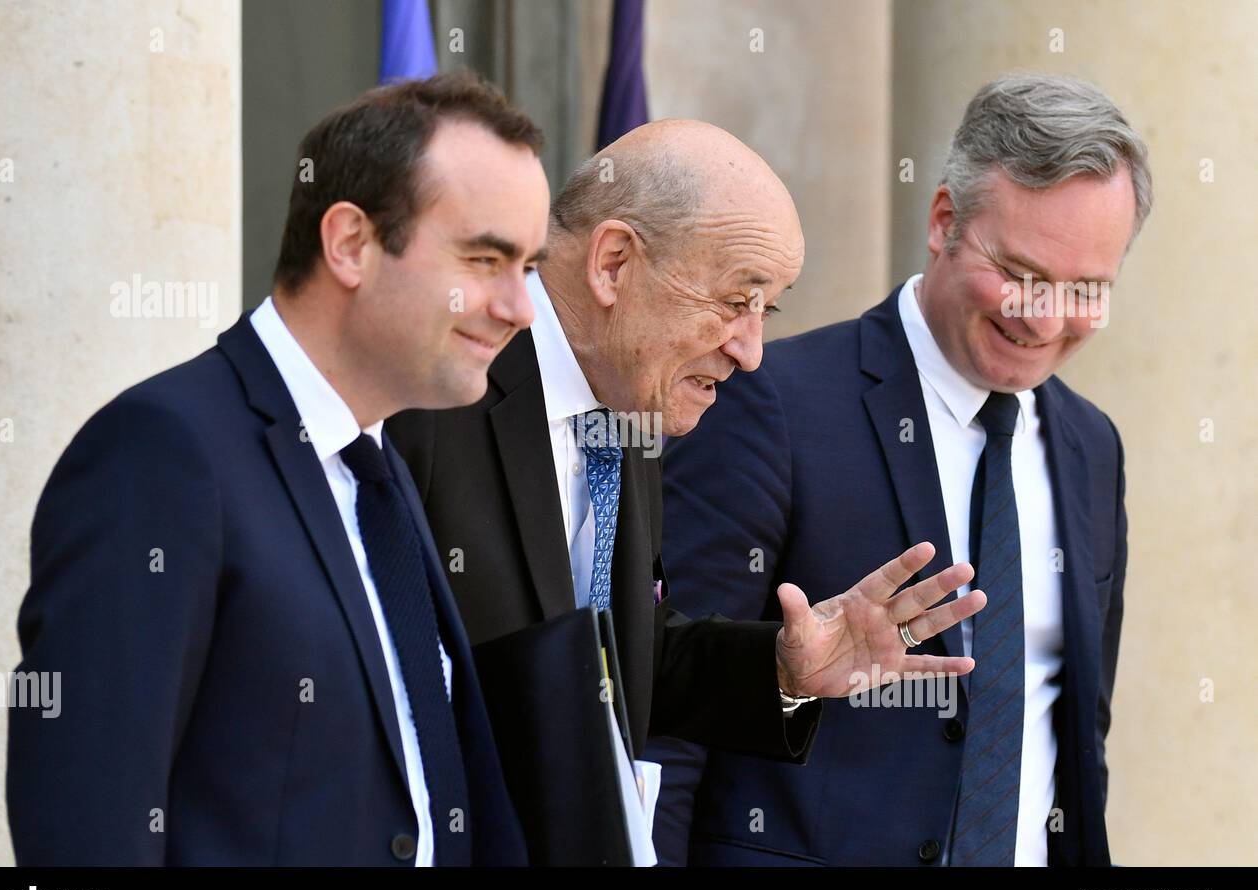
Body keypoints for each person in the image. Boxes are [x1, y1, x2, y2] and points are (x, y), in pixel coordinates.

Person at [387, 119, 985, 845]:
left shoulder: (633, 400)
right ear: (613, 264)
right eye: (737, 301)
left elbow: (613, 657)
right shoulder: (431, 389)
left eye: (769, 311)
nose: (752, 351)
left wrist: (784, 669)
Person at [7, 72, 550, 866]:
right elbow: (85, 834)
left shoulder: (379, 474)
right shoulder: (161, 453)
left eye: (529, 265)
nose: (520, 306)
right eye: (486, 258)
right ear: (351, 244)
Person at [648, 73, 1149, 867]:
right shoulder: (767, 405)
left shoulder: (1093, 448)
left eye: (1085, 288)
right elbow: (668, 713)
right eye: (1020, 272)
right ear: (943, 220)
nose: (1045, 318)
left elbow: (1076, 741)